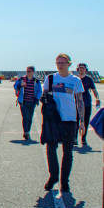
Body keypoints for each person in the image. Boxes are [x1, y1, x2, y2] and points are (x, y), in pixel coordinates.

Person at [42, 53, 84, 193]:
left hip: (69, 120)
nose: (60, 65)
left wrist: (82, 121)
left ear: (69, 64)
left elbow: (79, 101)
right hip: (53, 120)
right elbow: (45, 96)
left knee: (68, 152)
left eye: (62, 62)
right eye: (58, 62)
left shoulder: (75, 80)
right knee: (51, 148)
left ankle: (64, 181)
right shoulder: (50, 78)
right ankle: (53, 176)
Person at [13, 66, 42, 140]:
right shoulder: (22, 79)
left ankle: (27, 130)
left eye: (29, 71)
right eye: (27, 71)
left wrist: (37, 99)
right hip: (23, 101)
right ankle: (26, 132)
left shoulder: (36, 81)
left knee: (30, 118)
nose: (27, 73)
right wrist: (20, 85)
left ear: (33, 72)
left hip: (32, 102)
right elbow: (15, 86)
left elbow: (39, 91)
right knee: (25, 117)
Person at [77, 62, 100, 146]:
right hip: (76, 104)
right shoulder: (75, 79)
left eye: (83, 68)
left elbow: (94, 90)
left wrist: (97, 98)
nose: (81, 69)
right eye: (80, 68)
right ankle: (74, 139)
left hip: (86, 103)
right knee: (75, 121)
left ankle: (83, 139)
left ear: (86, 70)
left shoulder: (89, 79)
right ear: (77, 69)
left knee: (85, 122)